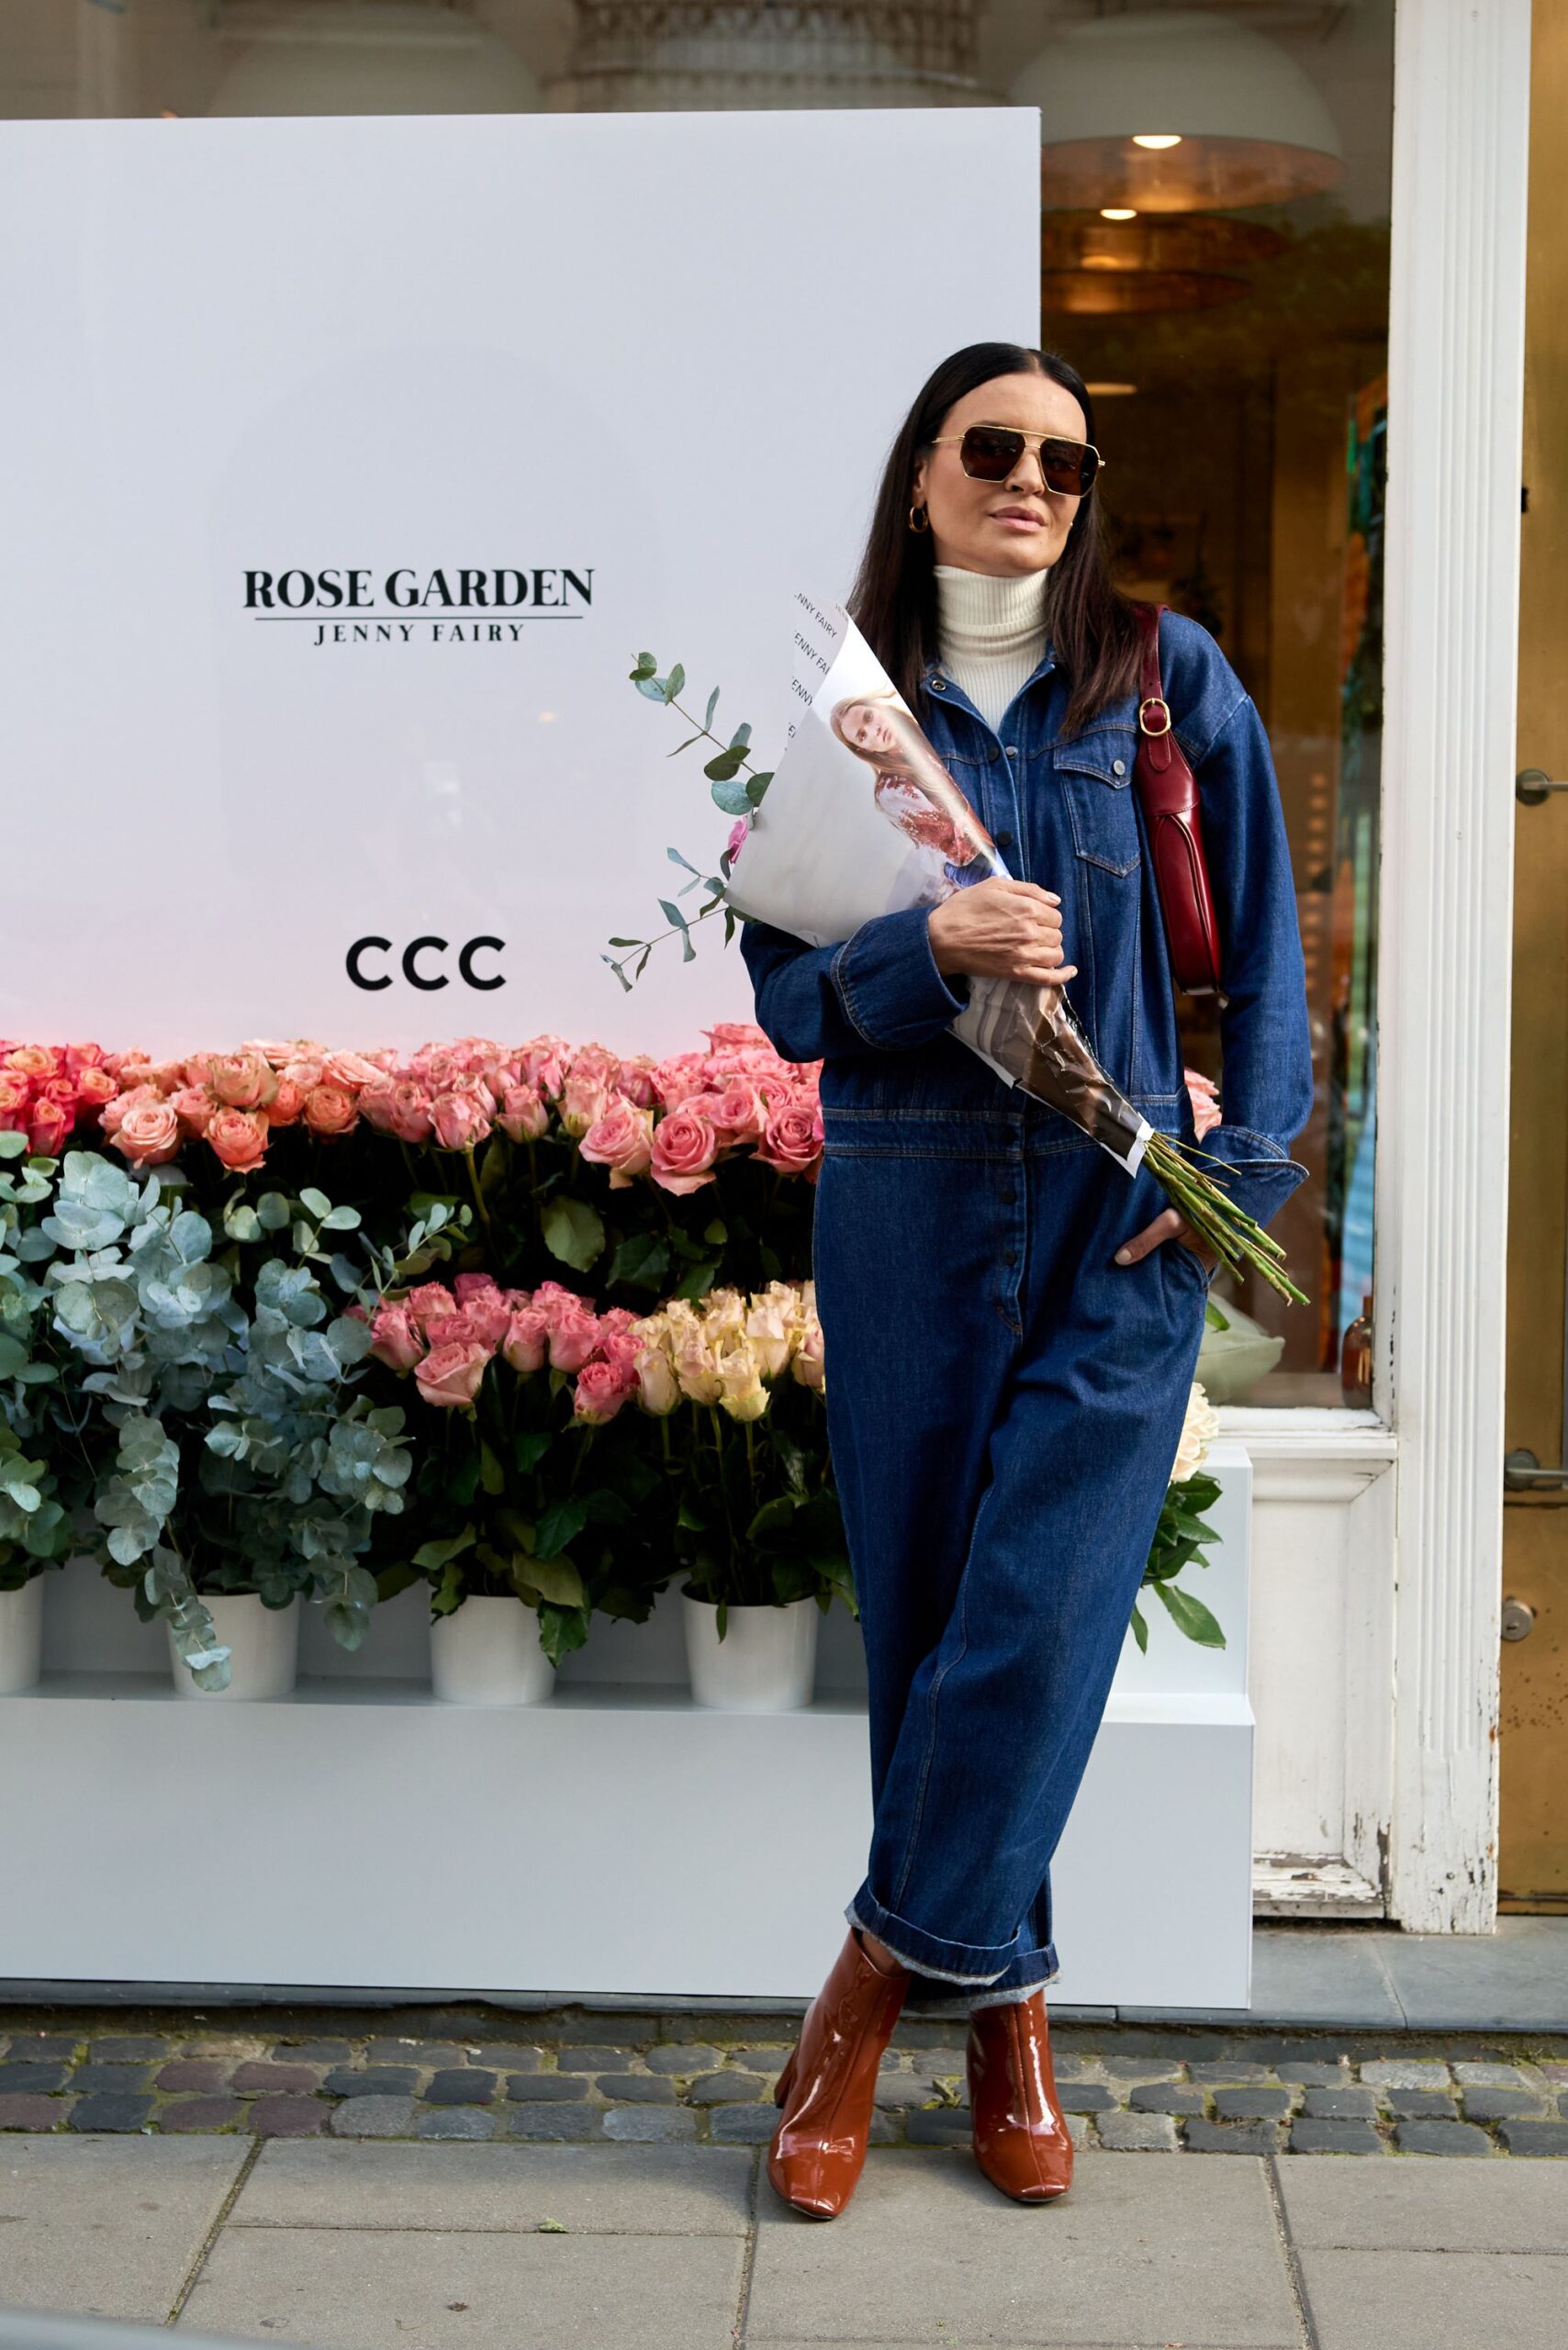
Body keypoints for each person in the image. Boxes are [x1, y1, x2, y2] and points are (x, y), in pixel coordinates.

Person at [740, 342, 1312, 2219]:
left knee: (1043, 1613)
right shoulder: (851, 714)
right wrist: (931, 946)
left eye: (1066, 464)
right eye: (993, 448)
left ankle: (860, 1996)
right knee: (935, 1621)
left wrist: (1240, 1173)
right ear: (922, 471)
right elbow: (786, 1002)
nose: (1030, 485)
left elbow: (1270, 952)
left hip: (1118, 1209)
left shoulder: (1163, 680)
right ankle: (1009, 2025)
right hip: (904, 1202)